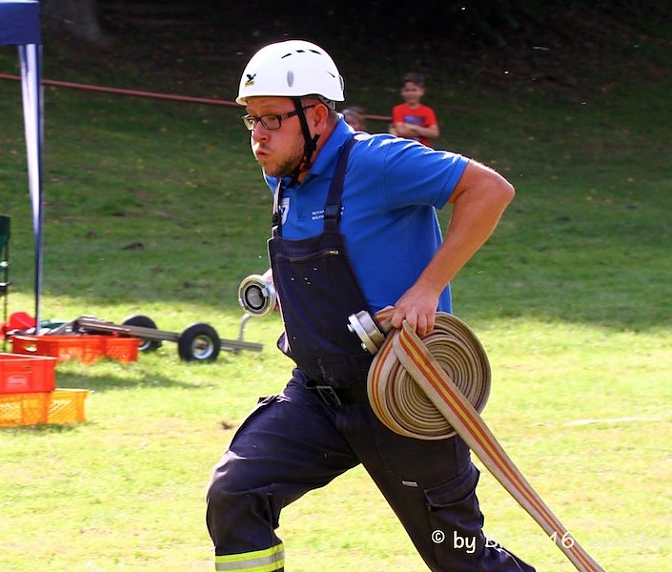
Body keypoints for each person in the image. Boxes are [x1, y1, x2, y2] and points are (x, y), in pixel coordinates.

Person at [206, 40, 533, 572]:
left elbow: (490, 190)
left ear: (315, 115)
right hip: (318, 397)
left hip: (405, 396)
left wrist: (427, 288)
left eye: (270, 119)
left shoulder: (382, 162)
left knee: (459, 560)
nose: (258, 135)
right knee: (237, 492)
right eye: (251, 121)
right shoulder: (285, 178)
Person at [391, 72, 440, 147]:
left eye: (414, 90)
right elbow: (401, 132)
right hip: (403, 148)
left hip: (423, 148)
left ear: (422, 91)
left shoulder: (427, 111)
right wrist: (424, 132)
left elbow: (434, 133)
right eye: (407, 90)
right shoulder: (398, 109)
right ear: (402, 92)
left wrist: (413, 127)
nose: (411, 94)